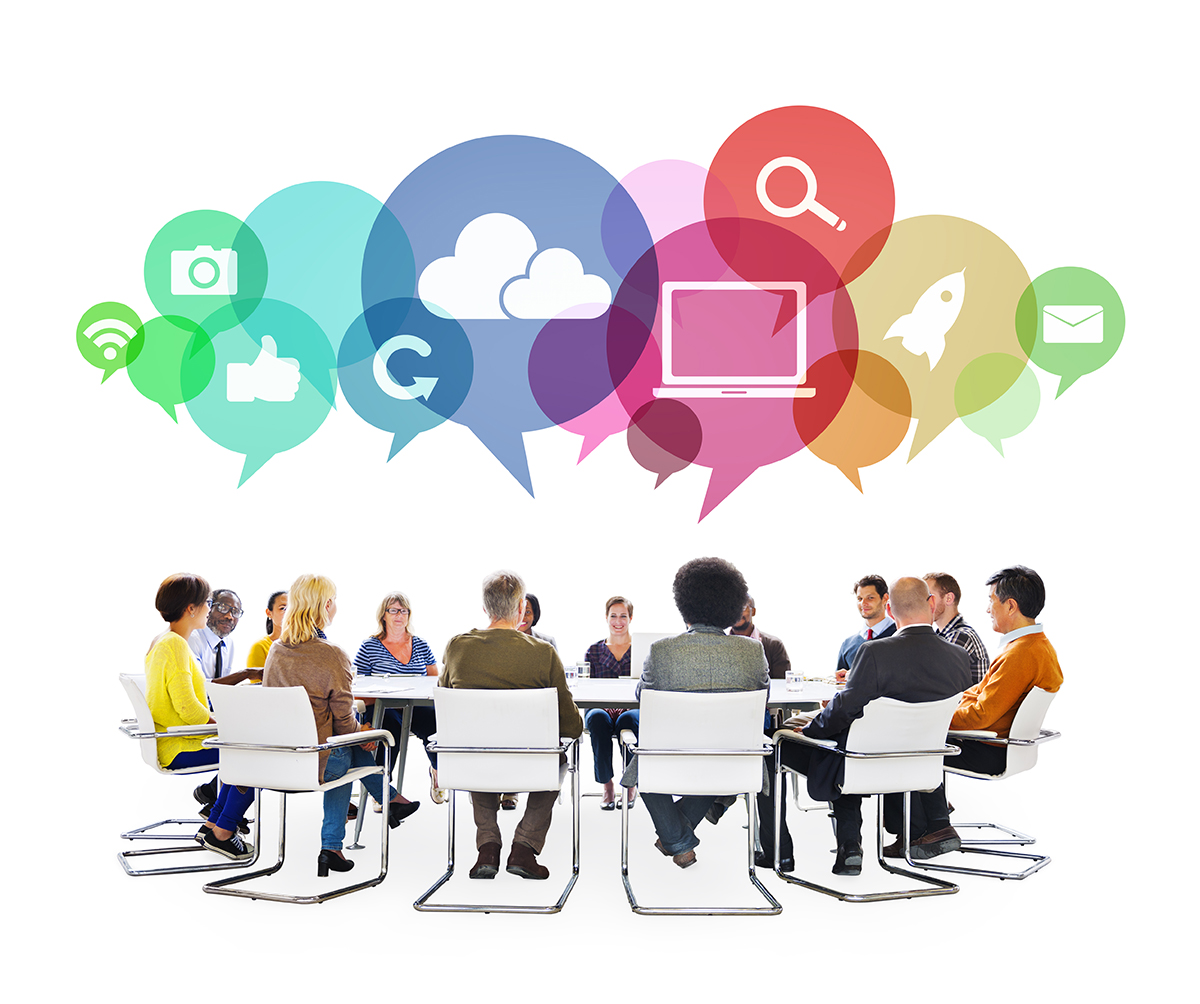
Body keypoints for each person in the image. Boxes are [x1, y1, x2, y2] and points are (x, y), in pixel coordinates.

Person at [765, 577, 971, 876]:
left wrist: (809, 730)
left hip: (863, 764)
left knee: (787, 745)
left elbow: (842, 711)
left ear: (889, 607)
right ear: (930, 604)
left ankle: (804, 852)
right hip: (921, 766)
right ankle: (857, 845)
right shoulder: (958, 657)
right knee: (845, 741)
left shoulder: (874, 653)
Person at [263, 574, 416, 877]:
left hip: (280, 759)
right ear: (328, 605)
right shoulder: (332, 655)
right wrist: (365, 733)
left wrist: (354, 733)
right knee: (346, 750)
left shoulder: (276, 651)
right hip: (321, 763)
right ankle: (383, 804)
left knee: (342, 748)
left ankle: (341, 842)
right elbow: (345, 726)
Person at [622, 557, 769, 869]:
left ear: (683, 603)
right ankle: (679, 837)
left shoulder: (662, 650)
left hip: (670, 761)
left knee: (643, 757)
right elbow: (762, 699)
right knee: (714, 755)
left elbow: (643, 699)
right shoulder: (753, 651)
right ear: (732, 605)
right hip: (735, 762)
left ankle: (677, 841)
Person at [439, 570, 583, 881]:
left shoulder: (456, 648)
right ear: (520, 608)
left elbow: (446, 710)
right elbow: (572, 727)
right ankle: (525, 847)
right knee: (558, 758)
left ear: (485, 608)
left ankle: (487, 847)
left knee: (476, 745)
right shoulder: (543, 653)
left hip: (473, 766)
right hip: (532, 768)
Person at [144, 573, 254, 860]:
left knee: (247, 748)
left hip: (173, 739)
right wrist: (226, 725)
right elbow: (188, 708)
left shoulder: (164, 641)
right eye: (207, 603)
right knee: (256, 754)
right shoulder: (176, 645)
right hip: (179, 745)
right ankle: (222, 832)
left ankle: (214, 827)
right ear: (190, 609)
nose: (210, 608)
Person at [947, 565, 1064, 775]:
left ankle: (930, 810)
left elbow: (981, 715)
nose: (988, 609)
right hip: (993, 746)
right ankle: (932, 809)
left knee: (907, 748)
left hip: (987, 749)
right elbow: (980, 694)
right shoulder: (1038, 646)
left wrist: (935, 718)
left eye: (991, 600)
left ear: (1010, 606)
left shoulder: (1020, 655)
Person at [353, 592, 436, 809]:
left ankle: (438, 771)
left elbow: (434, 681)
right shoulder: (369, 647)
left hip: (414, 704)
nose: (399, 614)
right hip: (381, 706)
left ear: (409, 615)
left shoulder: (421, 645)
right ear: (384, 615)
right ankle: (382, 789)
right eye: (393, 610)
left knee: (436, 721)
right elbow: (356, 687)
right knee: (391, 726)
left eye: (404, 610)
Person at [583, 595, 639, 810]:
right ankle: (607, 786)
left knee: (628, 719)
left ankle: (630, 783)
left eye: (623, 616)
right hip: (600, 707)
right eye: (613, 616)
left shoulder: (641, 650)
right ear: (606, 618)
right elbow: (586, 686)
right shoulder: (594, 651)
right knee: (597, 718)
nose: (618, 621)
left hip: (631, 708)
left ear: (631, 618)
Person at [924, 572, 989, 684]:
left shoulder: (960, 636)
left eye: (929, 597)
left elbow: (935, 681)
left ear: (949, 598)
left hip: (967, 701)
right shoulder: (942, 635)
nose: (924, 603)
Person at [835, 574, 896, 679]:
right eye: (859, 598)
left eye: (870, 598)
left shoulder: (900, 636)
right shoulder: (848, 644)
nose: (863, 603)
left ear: (885, 598)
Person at [188, 588, 243, 681]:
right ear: (209, 608)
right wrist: (244, 674)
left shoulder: (229, 642)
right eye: (223, 608)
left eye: (235, 612)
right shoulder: (192, 639)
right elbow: (196, 684)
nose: (229, 617)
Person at [730, 596, 791, 678]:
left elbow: (781, 685)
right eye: (732, 608)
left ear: (753, 611)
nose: (737, 612)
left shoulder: (774, 645)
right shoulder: (718, 646)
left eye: (743, 607)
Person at [245, 590, 287, 670]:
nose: (288, 613)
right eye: (283, 608)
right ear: (269, 613)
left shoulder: (305, 645)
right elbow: (257, 682)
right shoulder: (260, 646)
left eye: (292, 609)